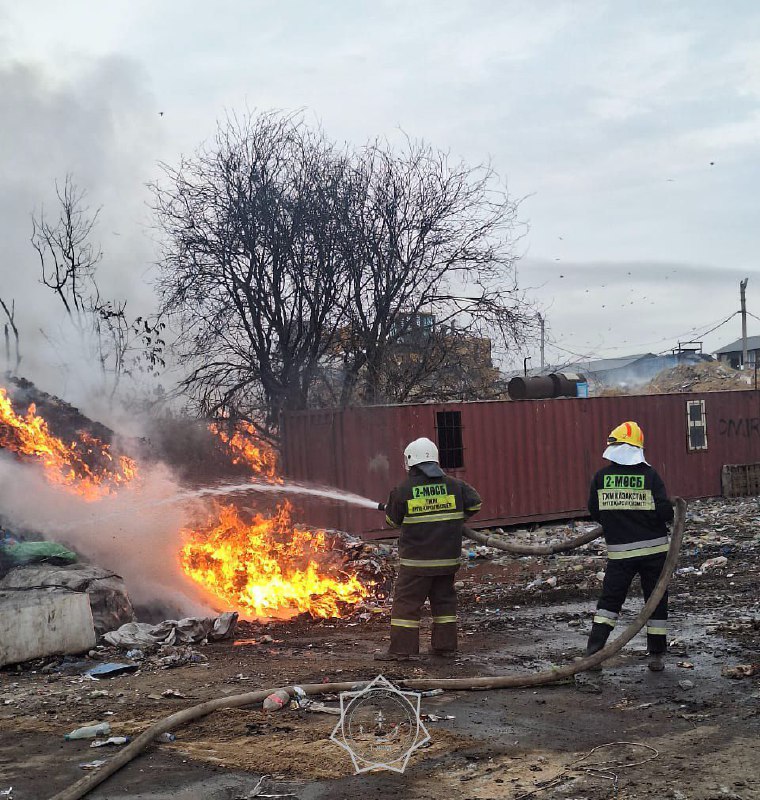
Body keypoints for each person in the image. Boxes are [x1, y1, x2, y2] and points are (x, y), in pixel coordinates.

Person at [375, 437, 482, 661]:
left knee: (406, 605)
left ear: (410, 461)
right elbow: (476, 503)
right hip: (447, 561)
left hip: (416, 563)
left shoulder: (403, 490)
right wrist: (455, 519)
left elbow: (392, 522)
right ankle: (445, 647)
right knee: (444, 603)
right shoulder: (455, 485)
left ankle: (402, 650)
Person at [585, 421, 674, 672]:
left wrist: (617, 522)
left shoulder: (601, 478)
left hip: (620, 554)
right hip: (654, 552)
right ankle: (656, 654)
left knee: (609, 602)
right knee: (655, 601)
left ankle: (594, 653)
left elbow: (595, 511)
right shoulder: (650, 476)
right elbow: (665, 512)